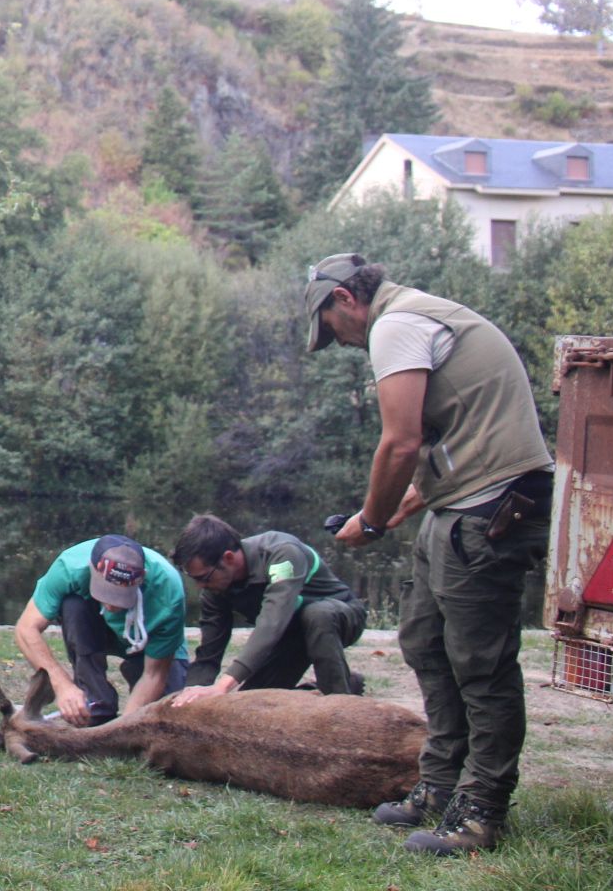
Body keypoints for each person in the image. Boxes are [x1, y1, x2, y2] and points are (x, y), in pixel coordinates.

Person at [304, 252, 553, 856]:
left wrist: (372, 520)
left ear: (344, 300)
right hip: (463, 501)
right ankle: (440, 784)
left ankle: (482, 812)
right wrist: (390, 513)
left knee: (481, 662)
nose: (336, 343)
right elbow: (440, 452)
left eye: (329, 328)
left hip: (493, 505)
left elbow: (402, 442)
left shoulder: (396, 324)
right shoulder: (413, 319)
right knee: (423, 638)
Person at [168, 514, 367, 704]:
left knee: (316, 615)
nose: (200, 586)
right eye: (195, 579)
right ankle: (332, 687)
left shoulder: (282, 554)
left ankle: (338, 699)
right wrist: (189, 696)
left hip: (339, 619)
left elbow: (272, 622)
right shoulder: (215, 588)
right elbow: (209, 653)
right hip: (290, 636)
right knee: (251, 707)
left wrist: (223, 685)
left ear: (228, 558)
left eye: (203, 578)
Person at [13, 534, 189, 726]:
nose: (113, 605)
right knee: (73, 605)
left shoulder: (168, 590)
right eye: (106, 591)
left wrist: (121, 729)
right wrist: (62, 685)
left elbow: (154, 675)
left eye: (122, 595)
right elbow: (26, 629)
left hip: (149, 639)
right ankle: (96, 702)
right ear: (92, 568)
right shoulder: (69, 567)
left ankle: (124, 708)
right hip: (95, 625)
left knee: (168, 717)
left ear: (142, 578)